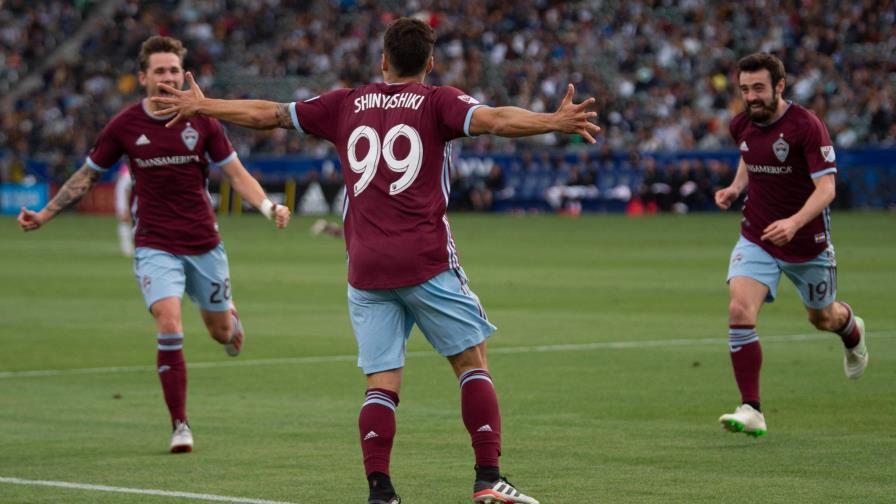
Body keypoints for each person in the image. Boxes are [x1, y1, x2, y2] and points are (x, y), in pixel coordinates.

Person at [153, 17, 599, 504]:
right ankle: (489, 478)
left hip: (365, 267)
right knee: (472, 362)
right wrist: (552, 121)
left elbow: (269, 113)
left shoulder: (345, 104)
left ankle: (381, 490)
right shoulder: (438, 102)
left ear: (382, 60)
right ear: (430, 63)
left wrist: (203, 105)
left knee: (382, 382)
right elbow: (495, 119)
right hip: (425, 259)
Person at [17, 35, 291, 453]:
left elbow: (236, 174)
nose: (167, 77)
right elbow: (87, 175)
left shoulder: (203, 121)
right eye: (159, 70)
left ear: (184, 74)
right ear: (143, 76)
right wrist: (46, 213)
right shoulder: (125, 125)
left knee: (220, 333)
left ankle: (230, 322)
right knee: (168, 321)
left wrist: (269, 207)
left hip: (203, 243)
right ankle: (180, 424)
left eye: (173, 70)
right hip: (154, 244)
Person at [714, 52, 868, 437]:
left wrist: (795, 222)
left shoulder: (807, 126)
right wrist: (736, 188)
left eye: (759, 88)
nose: (751, 96)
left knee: (822, 318)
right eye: (745, 89)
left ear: (779, 86)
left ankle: (851, 330)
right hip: (758, 236)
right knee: (739, 309)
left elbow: (827, 188)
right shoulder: (741, 124)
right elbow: (750, 155)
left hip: (807, 243)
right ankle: (752, 407)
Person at [114, 163, 135, 257]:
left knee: (126, 220)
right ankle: (126, 248)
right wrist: (126, 207)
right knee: (125, 220)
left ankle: (128, 247)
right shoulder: (129, 176)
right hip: (124, 192)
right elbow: (126, 189)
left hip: (124, 189)